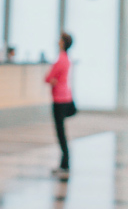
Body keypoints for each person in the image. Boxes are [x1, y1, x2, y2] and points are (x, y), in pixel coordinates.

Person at [44, 31, 75, 176]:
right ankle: (64, 162)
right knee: (62, 131)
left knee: (60, 132)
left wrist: (52, 80)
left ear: (63, 43)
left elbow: (48, 77)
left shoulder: (61, 60)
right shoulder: (67, 59)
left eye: (59, 39)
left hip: (59, 99)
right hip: (66, 97)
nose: (57, 41)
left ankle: (65, 163)